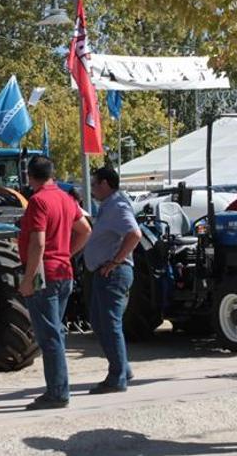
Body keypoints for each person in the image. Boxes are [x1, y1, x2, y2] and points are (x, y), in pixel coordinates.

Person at [18, 156, 91, 410]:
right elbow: (85, 230)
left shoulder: (38, 201)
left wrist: (28, 279)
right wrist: (66, 253)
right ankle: (58, 389)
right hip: (63, 272)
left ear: (30, 176)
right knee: (56, 332)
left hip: (44, 275)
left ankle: (58, 392)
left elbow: (37, 243)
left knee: (49, 336)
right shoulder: (66, 198)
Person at [83, 167, 142, 394]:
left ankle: (117, 377)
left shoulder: (117, 206)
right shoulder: (108, 206)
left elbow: (134, 234)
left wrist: (116, 261)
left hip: (113, 273)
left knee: (109, 323)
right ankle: (122, 369)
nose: (93, 189)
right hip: (105, 272)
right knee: (100, 322)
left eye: (95, 184)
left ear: (106, 184)